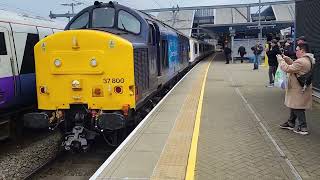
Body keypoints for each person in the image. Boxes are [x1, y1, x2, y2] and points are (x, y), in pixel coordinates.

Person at [277, 42, 315, 135]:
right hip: (300, 87)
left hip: (298, 88)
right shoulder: (308, 59)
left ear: (302, 51)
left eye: (297, 50)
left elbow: (287, 69)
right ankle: (291, 122)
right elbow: (295, 67)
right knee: (293, 104)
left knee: (298, 107)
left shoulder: (301, 61)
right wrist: (287, 59)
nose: (296, 52)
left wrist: (281, 60)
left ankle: (303, 127)